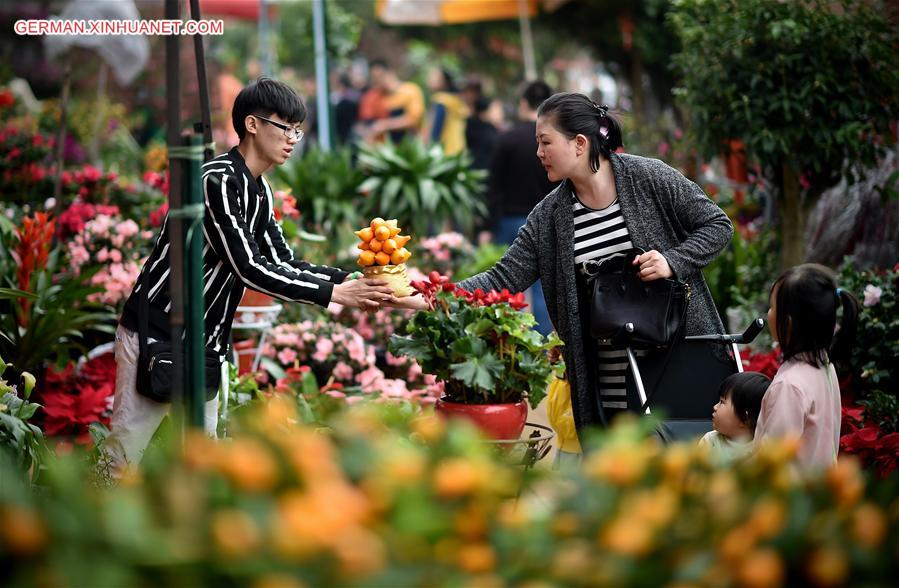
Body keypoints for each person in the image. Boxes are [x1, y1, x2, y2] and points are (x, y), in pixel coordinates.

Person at [104, 78, 413, 474]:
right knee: (122, 459)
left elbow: (284, 261)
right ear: (252, 125)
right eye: (286, 129)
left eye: (298, 131)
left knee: (202, 466)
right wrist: (336, 293)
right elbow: (249, 267)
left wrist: (356, 282)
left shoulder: (260, 191)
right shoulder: (215, 182)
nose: (293, 140)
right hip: (156, 335)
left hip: (203, 346)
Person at [456, 92, 733, 434]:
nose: (539, 153)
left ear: (580, 143)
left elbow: (718, 225)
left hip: (676, 366)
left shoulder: (648, 178)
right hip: (607, 384)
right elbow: (504, 277)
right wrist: (425, 294)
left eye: (546, 142)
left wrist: (672, 261)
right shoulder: (549, 217)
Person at [754, 264, 859, 472]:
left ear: (789, 323)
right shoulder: (824, 366)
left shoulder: (790, 386)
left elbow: (771, 462)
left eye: (772, 306)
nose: (768, 313)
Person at [487, 80, 557, 335]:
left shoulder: (507, 139)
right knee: (541, 286)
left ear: (524, 103)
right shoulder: (556, 143)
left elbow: (493, 185)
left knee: (507, 283)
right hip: (546, 220)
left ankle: (510, 339)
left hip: (510, 220)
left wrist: (489, 223)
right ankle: (539, 343)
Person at [699, 371, 771, 465]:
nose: (715, 407)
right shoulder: (710, 441)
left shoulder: (761, 447)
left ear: (745, 418)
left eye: (722, 402)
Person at [366, 63, 425, 144]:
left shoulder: (410, 90)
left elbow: (414, 119)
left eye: (380, 76)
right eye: (374, 78)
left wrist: (385, 125)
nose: (378, 80)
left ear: (390, 72)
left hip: (409, 144)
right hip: (387, 146)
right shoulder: (379, 96)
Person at [423, 67, 469, 155]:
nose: (429, 79)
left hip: (443, 151)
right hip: (458, 149)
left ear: (443, 81)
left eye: (433, 77)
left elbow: (436, 129)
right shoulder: (455, 100)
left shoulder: (441, 101)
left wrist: (430, 148)